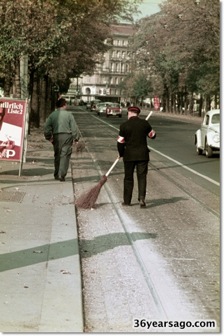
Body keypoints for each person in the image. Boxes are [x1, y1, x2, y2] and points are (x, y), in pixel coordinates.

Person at [117, 106, 156, 208]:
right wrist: (147, 129)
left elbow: (120, 142)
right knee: (142, 177)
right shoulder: (144, 123)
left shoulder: (124, 125)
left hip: (129, 155)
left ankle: (127, 201)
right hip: (143, 155)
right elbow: (152, 135)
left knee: (128, 178)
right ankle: (142, 198)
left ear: (130, 113)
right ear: (137, 114)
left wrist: (121, 153)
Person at [44, 97, 79, 181]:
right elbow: (74, 128)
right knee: (65, 155)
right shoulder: (69, 115)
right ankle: (61, 174)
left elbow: (47, 127)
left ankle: (56, 174)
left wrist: (49, 137)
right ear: (64, 105)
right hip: (67, 136)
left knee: (57, 155)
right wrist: (76, 138)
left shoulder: (52, 115)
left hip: (56, 136)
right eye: (66, 104)